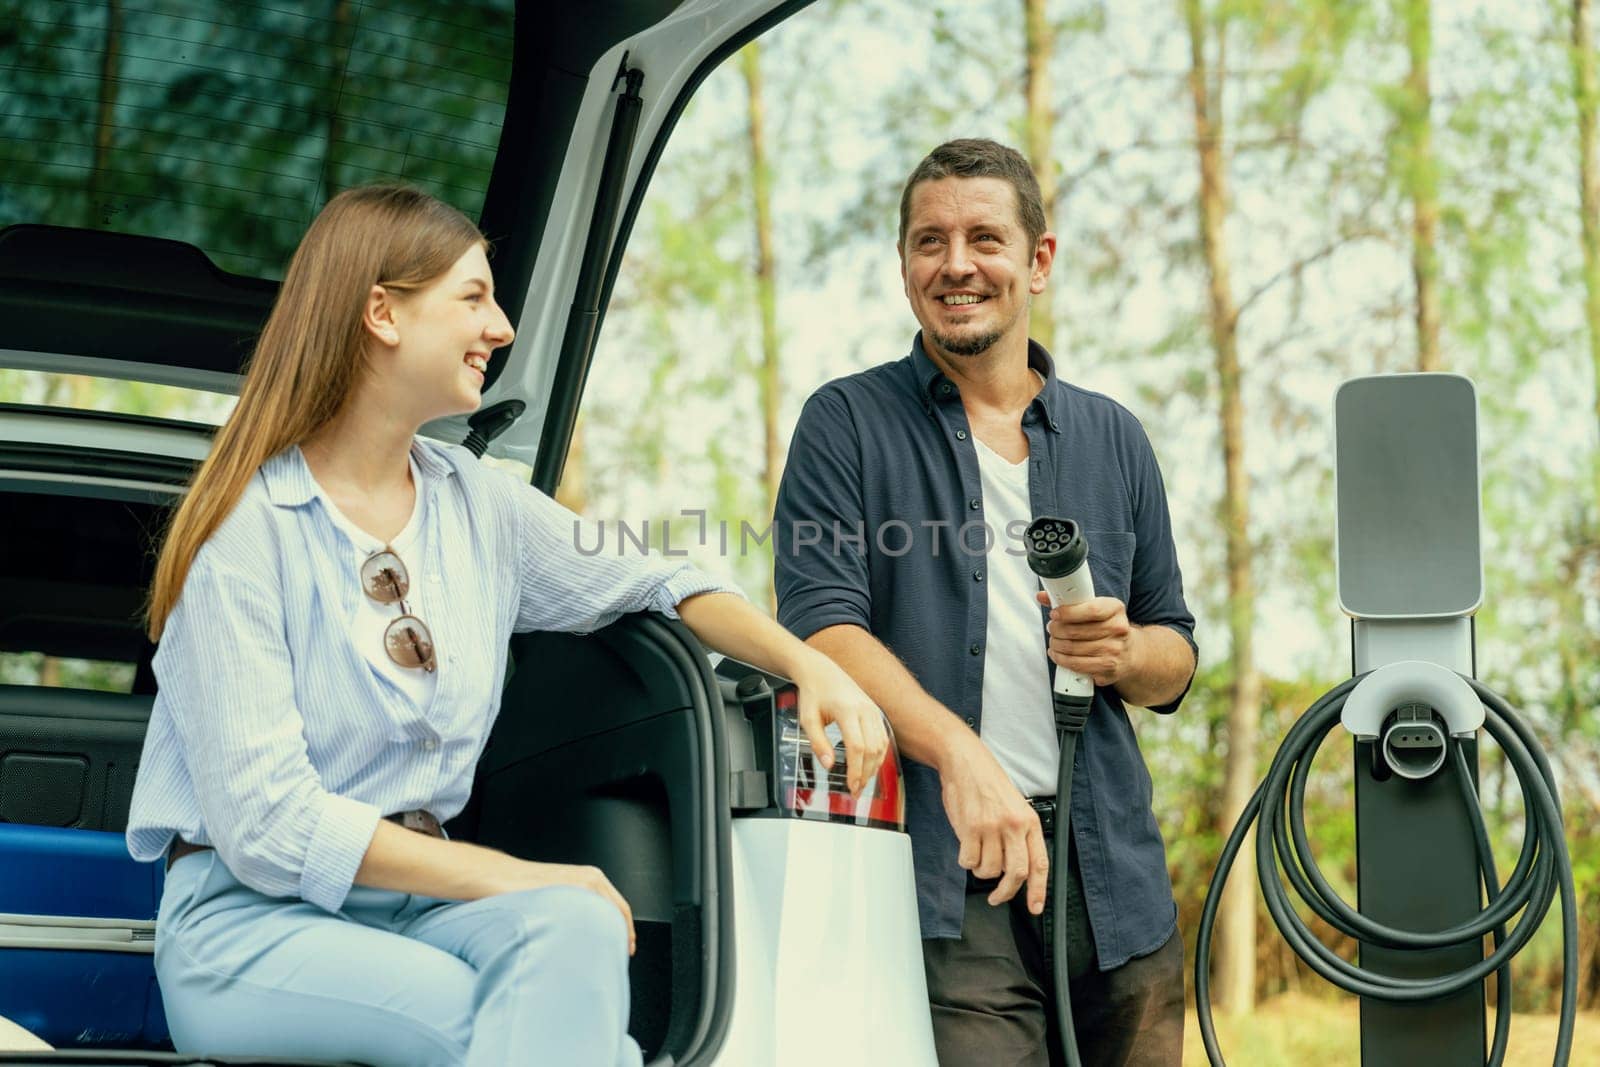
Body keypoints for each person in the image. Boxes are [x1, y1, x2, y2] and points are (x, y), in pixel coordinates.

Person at [125, 184, 887, 1067]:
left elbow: (662, 575)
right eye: (474, 297)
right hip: (246, 926)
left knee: (575, 933)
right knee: (523, 1021)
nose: (505, 328)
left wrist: (812, 667)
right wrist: (521, 874)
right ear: (382, 312)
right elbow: (270, 825)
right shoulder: (245, 531)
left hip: (416, 913)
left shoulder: (474, 501)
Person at [774, 139, 1198, 1066]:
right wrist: (958, 751)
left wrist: (1126, 654)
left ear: (1038, 261)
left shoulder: (1113, 437)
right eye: (930, 241)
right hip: (946, 871)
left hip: (1116, 874)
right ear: (904, 267)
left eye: (984, 238)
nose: (956, 264)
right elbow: (822, 624)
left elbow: (1178, 658)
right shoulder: (843, 422)